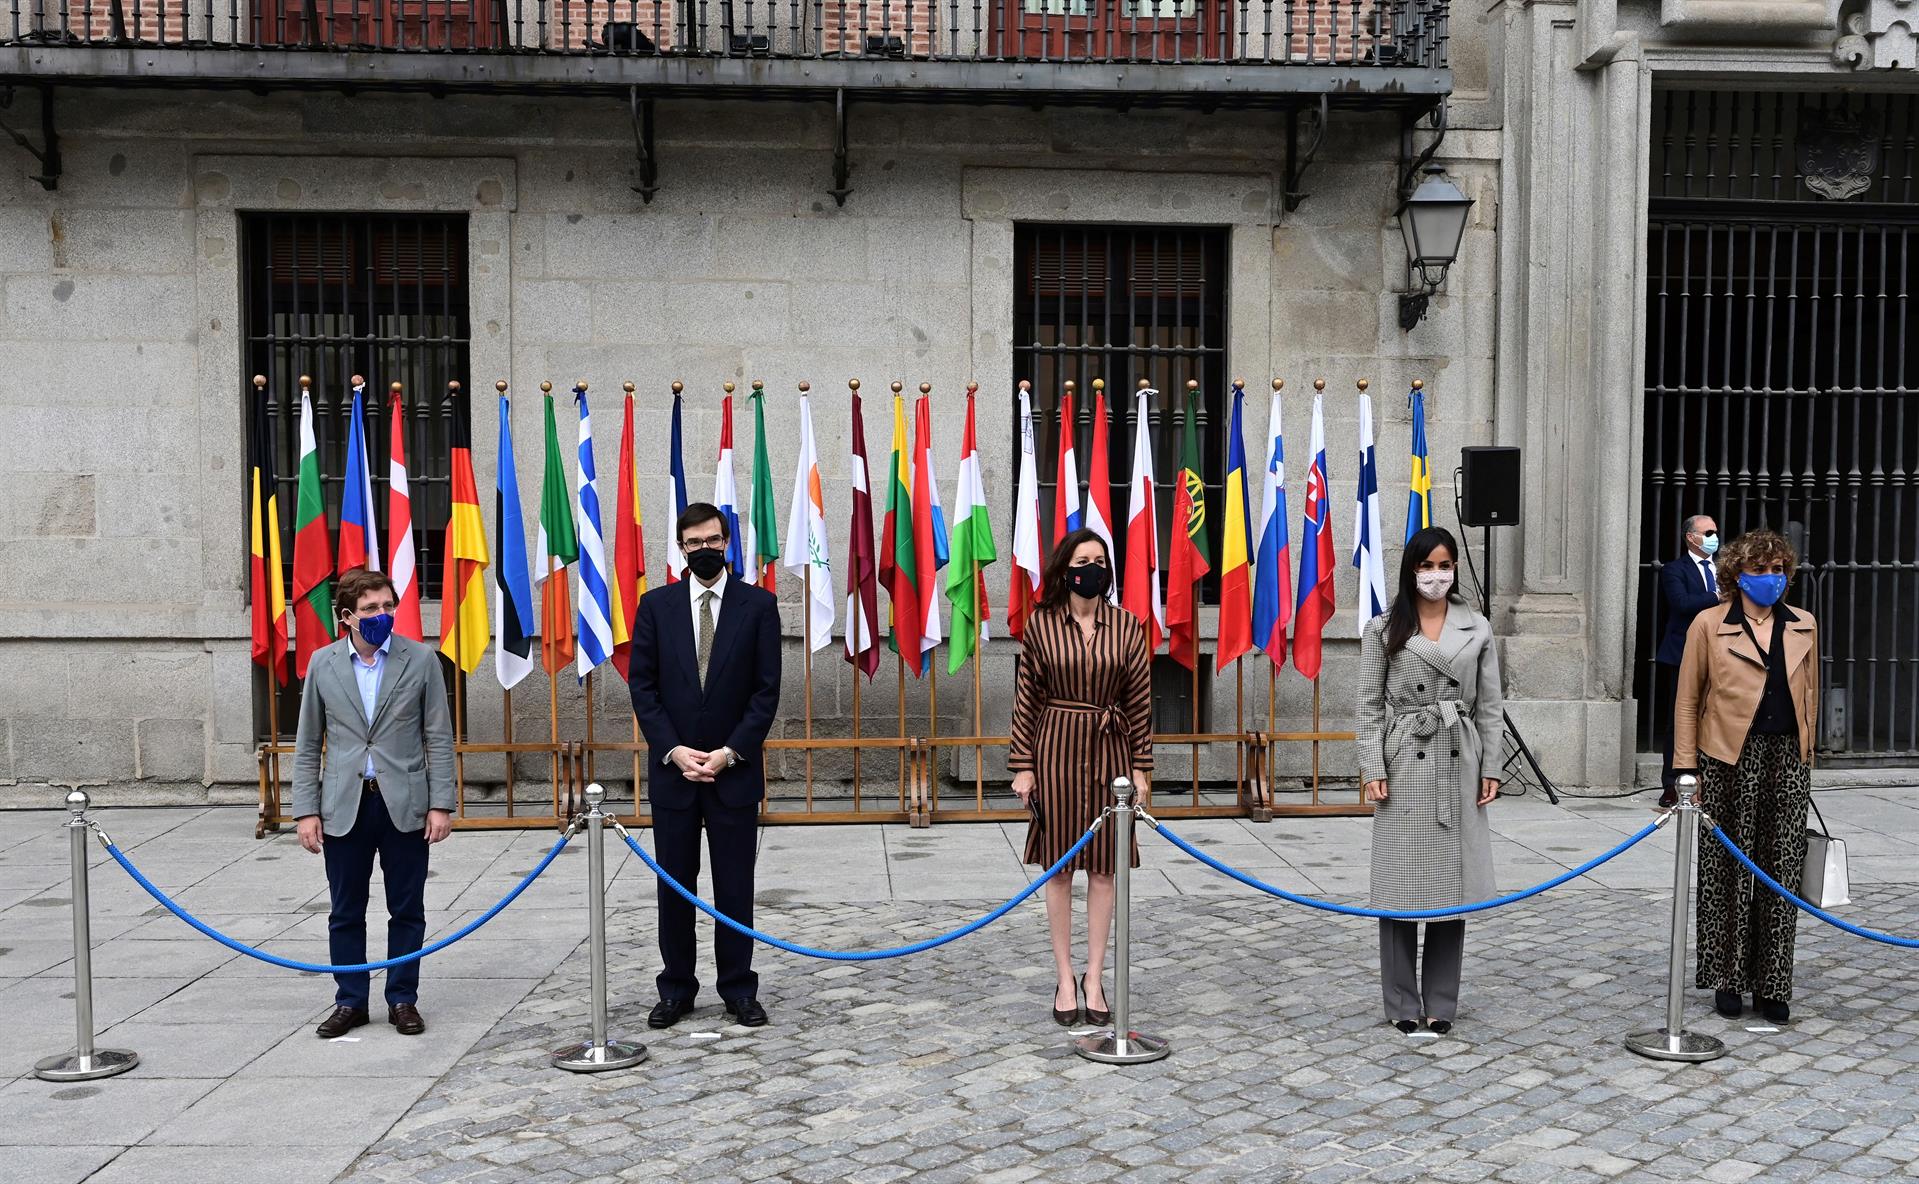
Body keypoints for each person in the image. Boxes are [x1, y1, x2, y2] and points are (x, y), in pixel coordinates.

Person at [628, 502, 781, 1029]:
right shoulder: (656, 606)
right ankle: (676, 988)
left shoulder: (758, 606)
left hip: (733, 774)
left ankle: (738, 987)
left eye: (713, 540)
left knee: (734, 887)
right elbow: (643, 689)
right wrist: (674, 750)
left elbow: (766, 694)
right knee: (675, 886)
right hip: (675, 775)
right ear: (681, 548)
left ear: (727, 542)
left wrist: (727, 752)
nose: (705, 550)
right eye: (694, 543)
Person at [291, 566, 456, 1039]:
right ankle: (351, 1001)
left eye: (387, 606)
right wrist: (306, 811)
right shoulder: (323, 664)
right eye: (370, 609)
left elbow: (438, 737)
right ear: (347, 617)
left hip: (404, 802)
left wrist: (440, 804)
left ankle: (403, 998)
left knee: (407, 908)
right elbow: (307, 744)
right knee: (346, 910)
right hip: (344, 805)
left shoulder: (420, 660)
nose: (381, 615)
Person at [1356, 527, 1505, 1036]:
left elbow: (1489, 706)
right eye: (1427, 566)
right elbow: (1368, 704)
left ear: (1456, 569)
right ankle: (1400, 1000)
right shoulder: (1382, 628)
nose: (1436, 575)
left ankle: (1441, 1000)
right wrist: (1373, 767)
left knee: (1449, 887)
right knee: (1401, 886)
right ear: (1411, 569)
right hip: (1403, 761)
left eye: (1445, 565)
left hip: (1456, 758)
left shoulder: (1478, 628)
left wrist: (1492, 767)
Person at [1007, 528, 1153, 1028]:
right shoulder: (1041, 625)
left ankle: (1095, 976)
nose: (1091, 567)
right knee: (1061, 866)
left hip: (1111, 752)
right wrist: (1023, 766)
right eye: (1082, 559)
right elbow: (1026, 700)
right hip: (1056, 750)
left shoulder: (1129, 627)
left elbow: (1139, 703)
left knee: (1106, 869)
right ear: (1065, 570)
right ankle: (1064, 975)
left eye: (1099, 559)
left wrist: (1141, 768)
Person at [1673, 529, 1819, 1025]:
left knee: (1781, 873)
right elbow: (1688, 699)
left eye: (1778, 570)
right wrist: (1684, 767)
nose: (1771, 579)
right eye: (1760, 570)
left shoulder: (1804, 624)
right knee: (1726, 872)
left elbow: (1810, 695)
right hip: (1727, 759)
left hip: (1785, 760)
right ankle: (1729, 978)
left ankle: (1774, 982)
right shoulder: (1708, 624)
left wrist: (1806, 756)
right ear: (1737, 574)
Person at [1656, 514, 1722, 807]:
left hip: (1720, 652)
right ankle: (1671, 784)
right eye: (1708, 532)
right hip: (1682, 653)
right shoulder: (1674, 570)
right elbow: (1681, 603)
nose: (1714, 537)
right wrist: (1719, 596)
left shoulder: (1724, 569)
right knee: (1678, 719)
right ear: (1691, 537)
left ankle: (1711, 780)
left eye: (1715, 532)